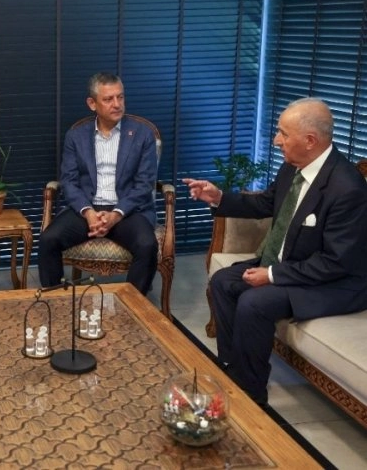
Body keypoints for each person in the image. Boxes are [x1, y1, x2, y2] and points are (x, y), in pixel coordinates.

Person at [183, 97, 367, 405]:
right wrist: (218, 198)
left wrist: (271, 275)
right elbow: (265, 203)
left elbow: (335, 263)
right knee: (223, 282)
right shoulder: (293, 168)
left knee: (255, 302)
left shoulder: (347, 188)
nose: (276, 140)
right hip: (294, 265)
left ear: (310, 141)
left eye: (283, 133)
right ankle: (232, 371)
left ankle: (251, 396)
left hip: (334, 283)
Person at [38, 72, 158, 294]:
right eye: (108, 99)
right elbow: (69, 181)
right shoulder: (76, 136)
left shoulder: (143, 135)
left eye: (120, 97)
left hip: (128, 211)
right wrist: (89, 213)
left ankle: (132, 305)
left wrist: (116, 214)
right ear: (92, 103)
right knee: (48, 239)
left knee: (147, 244)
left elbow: (144, 184)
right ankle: (55, 301)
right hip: (88, 209)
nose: (117, 104)